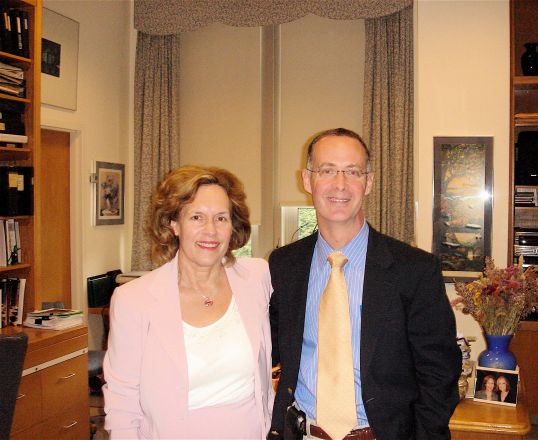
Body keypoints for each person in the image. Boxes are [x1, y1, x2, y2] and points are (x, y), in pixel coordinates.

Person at [268, 128, 462, 439]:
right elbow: (268, 348)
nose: (340, 184)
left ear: (368, 182)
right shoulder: (283, 266)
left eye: (352, 172)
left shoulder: (415, 270)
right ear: (307, 180)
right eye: (327, 170)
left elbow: (439, 375)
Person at [103, 165, 274, 439]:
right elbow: (122, 401)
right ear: (174, 224)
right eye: (196, 217)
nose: (211, 231)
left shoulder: (256, 277)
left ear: (233, 226)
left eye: (221, 218)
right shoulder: (134, 300)